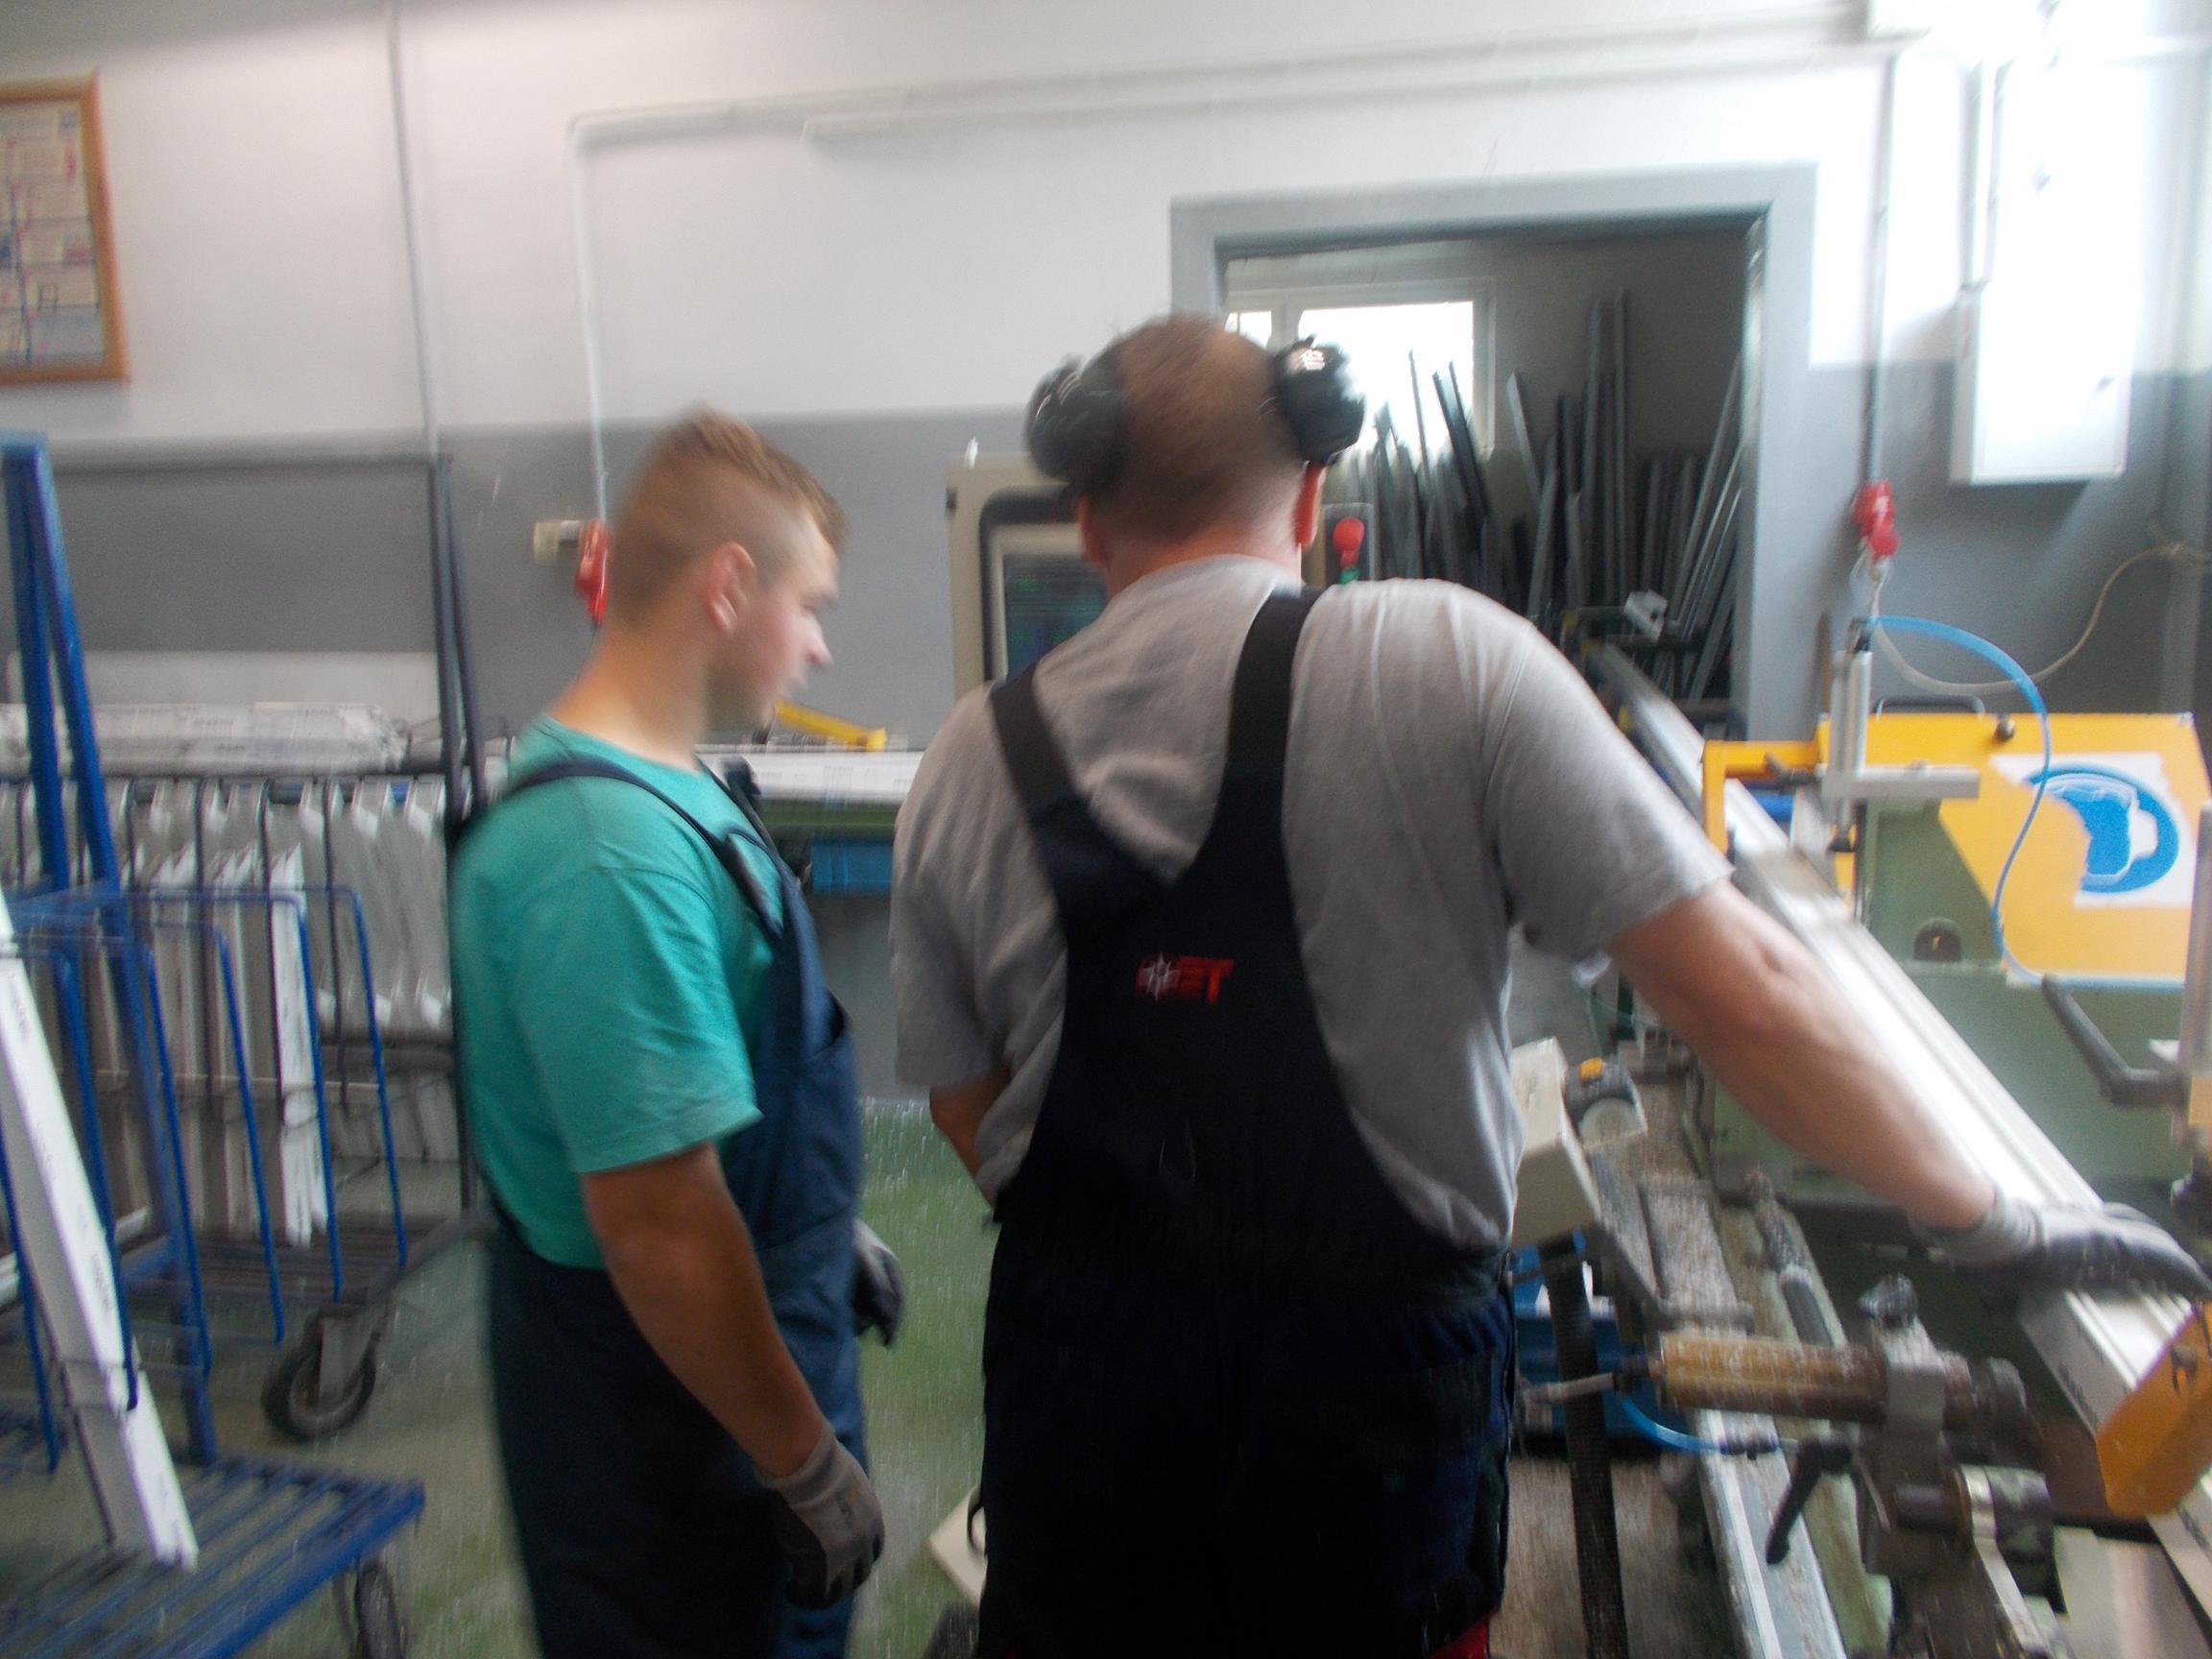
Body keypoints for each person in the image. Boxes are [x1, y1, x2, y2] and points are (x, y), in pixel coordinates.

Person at [889, 316, 2210, 1658]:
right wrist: (1994, 1223)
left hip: (1087, 1398)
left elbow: (961, 1105)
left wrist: (1135, 1255)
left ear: (1087, 519)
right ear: (1309, 492)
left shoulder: (966, 760)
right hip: (1365, 1424)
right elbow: (1746, 997)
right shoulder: (1449, 661)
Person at [451, 413, 898, 1659]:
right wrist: (802, 1460)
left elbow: (702, 1089)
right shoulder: (608, 854)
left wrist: (819, 1231)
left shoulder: (672, 782)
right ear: (730, 585)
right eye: (811, 607)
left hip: (722, 1349)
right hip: (663, 1427)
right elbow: (656, 1226)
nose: (818, 647)